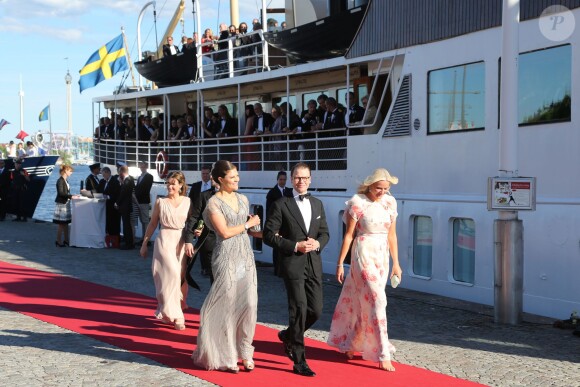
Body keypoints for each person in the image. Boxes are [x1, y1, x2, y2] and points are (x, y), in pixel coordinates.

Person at [327, 168, 402, 372]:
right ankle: (382, 352)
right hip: (363, 252)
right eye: (379, 188)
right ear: (370, 185)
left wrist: (396, 263)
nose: (382, 192)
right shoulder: (357, 202)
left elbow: (392, 235)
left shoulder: (390, 202)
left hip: (382, 255)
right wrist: (340, 263)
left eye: (386, 189)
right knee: (378, 300)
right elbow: (349, 235)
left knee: (367, 301)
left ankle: (351, 343)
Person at [191, 160, 261, 373]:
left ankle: (246, 350)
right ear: (220, 180)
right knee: (228, 304)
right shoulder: (213, 203)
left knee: (249, 304)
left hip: (246, 256)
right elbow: (224, 232)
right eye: (232, 177)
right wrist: (248, 224)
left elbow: (249, 231)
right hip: (225, 256)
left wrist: (257, 227)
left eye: (237, 176)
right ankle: (226, 354)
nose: (237, 179)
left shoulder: (243, 199)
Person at [263, 162, 330, 377]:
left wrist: (317, 243)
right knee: (299, 309)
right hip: (292, 263)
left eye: (305, 177)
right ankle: (299, 360)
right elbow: (268, 235)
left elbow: (325, 233)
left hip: (313, 263)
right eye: (297, 177)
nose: (301, 181)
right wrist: (295, 245)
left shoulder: (318, 204)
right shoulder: (282, 204)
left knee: (316, 310)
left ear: (310, 179)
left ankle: (289, 335)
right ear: (292, 179)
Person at [139, 171, 190, 331]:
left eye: (173, 183)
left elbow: (195, 222)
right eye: (168, 183)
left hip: (180, 241)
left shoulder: (187, 201)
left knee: (179, 278)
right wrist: (144, 243)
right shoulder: (160, 202)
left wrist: (195, 236)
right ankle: (178, 316)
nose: (170, 186)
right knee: (173, 274)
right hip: (164, 240)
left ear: (181, 185)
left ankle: (168, 310)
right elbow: (153, 224)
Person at [184, 176, 218, 283]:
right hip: (210, 242)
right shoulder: (204, 195)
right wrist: (189, 240)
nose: (211, 177)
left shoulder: (237, 197)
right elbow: (195, 217)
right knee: (215, 277)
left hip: (230, 243)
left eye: (213, 174)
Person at [265, 171, 293, 276]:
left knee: (285, 246)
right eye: (281, 179)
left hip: (286, 223)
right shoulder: (272, 193)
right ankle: (277, 269)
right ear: (277, 180)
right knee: (276, 247)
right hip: (276, 223)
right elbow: (269, 210)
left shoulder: (290, 192)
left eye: (284, 180)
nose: (282, 182)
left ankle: (285, 269)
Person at [187, 165, 213, 276]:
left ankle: (209, 267)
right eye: (203, 173)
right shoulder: (196, 186)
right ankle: (205, 267)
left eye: (207, 173)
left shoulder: (215, 187)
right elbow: (191, 200)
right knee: (202, 243)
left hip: (211, 219)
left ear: (211, 174)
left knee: (208, 245)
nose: (205, 175)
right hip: (199, 218)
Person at [53, 165, 79, 247]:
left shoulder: (65, 180)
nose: (71, 173)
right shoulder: (60, 181)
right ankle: (58, 240)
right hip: (62, 204)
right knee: (61, 223)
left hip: (65, 203)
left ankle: (66, 240)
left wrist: (71, 196)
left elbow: (65, 193)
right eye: (70, 171)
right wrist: (71, 196)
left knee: (66, 223)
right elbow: (61, 193)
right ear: (65, 171)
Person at [98, 167, 121, 248]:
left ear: (108, 173)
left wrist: (107, 196)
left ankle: (115, 241)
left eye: (104, 175)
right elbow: (99, 191)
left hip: (112, 207)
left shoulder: (115, 182)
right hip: (104, 207)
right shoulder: (102, 181)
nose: (103, 177)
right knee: (106, 223)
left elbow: (117, 194)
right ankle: (107, 240)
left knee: (114, 224)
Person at [115, 165, 135, 250]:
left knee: (126, 225)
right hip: (126, 205)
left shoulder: (127, 180)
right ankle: (128, 242)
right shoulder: (130, 179)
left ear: (122, 172)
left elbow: (123, 193)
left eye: (119, 172)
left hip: (125, 206)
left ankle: (129, 243)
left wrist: (117, 203)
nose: (119, 173)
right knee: (127, 224)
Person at [134, 161, 153, 245]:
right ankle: (143, 237)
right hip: (138, 201)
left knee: (145, 220)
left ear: (146, 167)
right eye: (141, 167)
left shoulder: (149, 177)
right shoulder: (139, 177)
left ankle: (147, 239)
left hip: (144, 201)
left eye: (143, 166)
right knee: (142, 220)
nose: (142, 168)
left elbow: (146, 189)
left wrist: (136, 193)